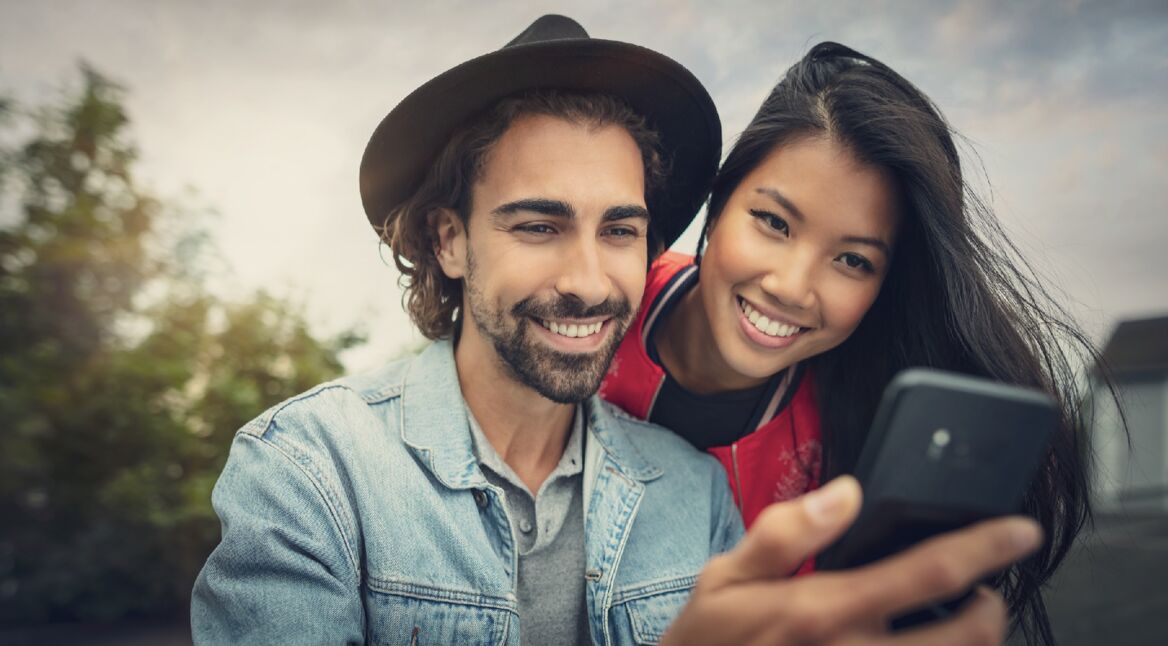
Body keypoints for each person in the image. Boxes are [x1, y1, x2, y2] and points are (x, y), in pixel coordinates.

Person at [193, 17, 1042, 645]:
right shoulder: (309, 473)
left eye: (621, 230)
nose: (590, 281)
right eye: (537, 226)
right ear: (449, 238)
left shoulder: (693, 494)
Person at [601, 42, 1100, 645]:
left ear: (883, 287)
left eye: (852, 260)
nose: (791, 287)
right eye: (773, 223)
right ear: (720, 201)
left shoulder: (842, 465)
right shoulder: (596, 303)